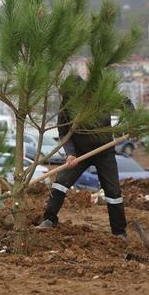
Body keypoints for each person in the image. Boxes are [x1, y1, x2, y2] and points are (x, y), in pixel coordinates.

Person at [36, 82, 130, 242]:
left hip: (104, 151)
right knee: (61, 182)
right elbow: (63, 131)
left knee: (113, 192)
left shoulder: (100, 94)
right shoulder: (67, 105)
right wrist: (70, 154)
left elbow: (126, 102)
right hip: (79, 152)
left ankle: (119, 232)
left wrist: (131, 123)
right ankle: (50, 219)